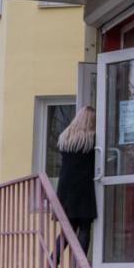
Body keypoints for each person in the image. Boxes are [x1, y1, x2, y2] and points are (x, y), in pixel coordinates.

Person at [55, 106, 97, 256]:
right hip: (84, 188)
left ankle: (52, 263)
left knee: (68, 230)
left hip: (65, 188)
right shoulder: (92, 139)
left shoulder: (65, 137)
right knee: (84, 228)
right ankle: (79, 267)